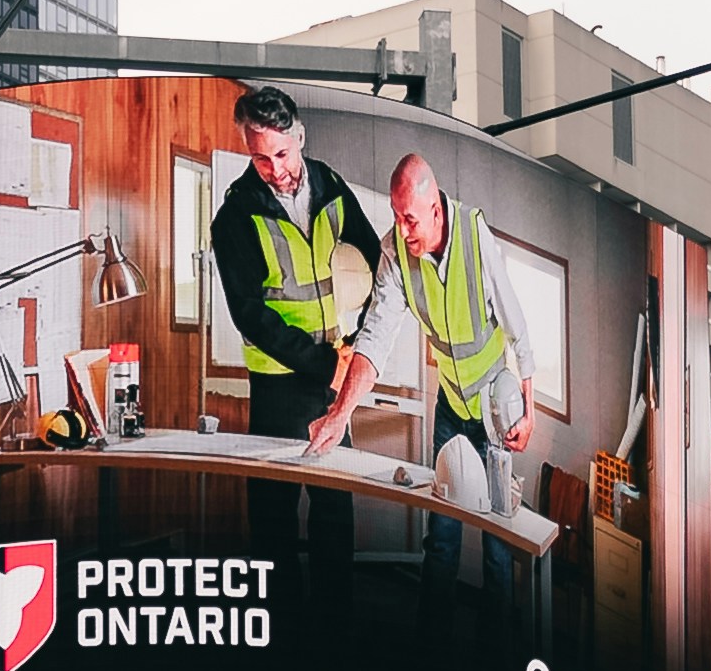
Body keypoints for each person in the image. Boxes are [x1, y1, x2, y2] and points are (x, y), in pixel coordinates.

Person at [317, 152, 539, 626]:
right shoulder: (396, 253)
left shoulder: (476, 237)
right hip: (451, 409)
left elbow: (517, 326)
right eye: (397, 217)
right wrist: (341, 414)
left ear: (436, 209)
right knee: (442, 533)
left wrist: (530, 410)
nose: (403, 228)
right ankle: (431, 649)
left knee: (498, 541)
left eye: (410, 218)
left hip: (494, 413)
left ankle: (496, 659)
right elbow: (375, 337)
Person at [207, 89, 383, 595]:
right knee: (273, 518)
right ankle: (280, 636)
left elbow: (376, 263)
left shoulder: (330, 185)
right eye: (259, 157)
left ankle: (335, 633)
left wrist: (354, 343)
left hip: (333, 381)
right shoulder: (235, 217)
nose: (274, 168)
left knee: (335, 511)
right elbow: (252, 318)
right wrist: (327, 365)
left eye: (281, 153)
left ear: (299, 137)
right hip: (277, 385)